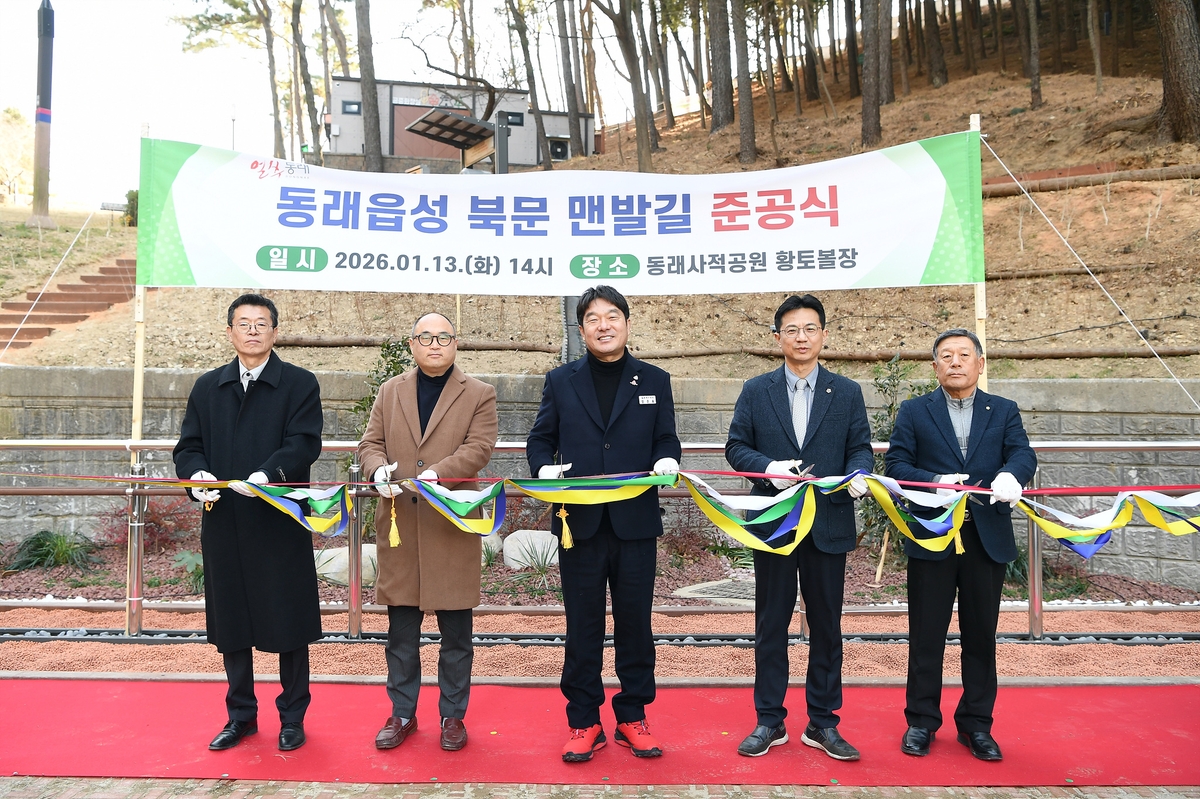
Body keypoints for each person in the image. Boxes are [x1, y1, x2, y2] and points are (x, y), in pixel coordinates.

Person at [526, 285, 682, 763]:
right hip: (581, 524)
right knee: (583, 625)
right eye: (593, 318)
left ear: (627, 323)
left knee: (635, 623)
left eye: (612, 316)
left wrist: (667, 459)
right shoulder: (561, 380)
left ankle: (632, 715)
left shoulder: (654, 379)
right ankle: (584, 721)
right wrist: (543, 471)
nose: (603, 325)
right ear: (581, 329)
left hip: (635, 523)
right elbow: (539, 440)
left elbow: (667, 439)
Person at [725, 293, 873, 760]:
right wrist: (768, 468)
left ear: (824, 335)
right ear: (777, 338)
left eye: (810, 328)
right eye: (792, 329)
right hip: (776, 522)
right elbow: (736, 448)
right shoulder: (756, 390)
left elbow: (861, 448)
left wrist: (858, 475)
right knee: (771, 622)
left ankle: (823, 723)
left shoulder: (847, 392)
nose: (802, 337)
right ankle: (770, 719)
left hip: (828, 522)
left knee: (827, 625)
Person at [174, 293, 323, 752]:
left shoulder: (299, 384)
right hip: (225, 522)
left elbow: (304, 443)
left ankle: (292, 716)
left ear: (275, 332)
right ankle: (241, 715)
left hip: (278, 520)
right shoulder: (208, 386)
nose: (253, 330)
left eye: (262, 323)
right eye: (244, 323)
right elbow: (188, 445)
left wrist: (267, 475)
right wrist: (195, 475)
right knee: (231, 621)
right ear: (230, 332)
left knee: (289, 621)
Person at [885, 328, 1036, 762]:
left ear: (980, 363)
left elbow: (1022, 454)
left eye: (964, 355)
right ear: (935, 367)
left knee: (980, 637)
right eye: (946, 356)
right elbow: (897, 463)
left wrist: (1013, 476)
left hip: (985, 536)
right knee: (926, 634)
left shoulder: (1003, 410)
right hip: (933, 534)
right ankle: (920, 722)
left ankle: (976, 725)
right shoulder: (915, 411)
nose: (955, 362)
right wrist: (933, 482)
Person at [358, 312, 498, 752]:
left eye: (443, 337)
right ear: (412, 344)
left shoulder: (479, 393)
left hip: (450, 525)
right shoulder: (391, 390)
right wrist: (376, 469)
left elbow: (479, 447)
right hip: (401, 526)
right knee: (401, 634)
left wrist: (440, 472)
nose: (434, 344)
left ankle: (453, 716)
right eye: (425, 337)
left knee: (457, 634)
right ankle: (402, 713)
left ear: (456, 343)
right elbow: (370, 443)